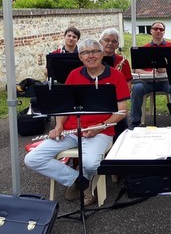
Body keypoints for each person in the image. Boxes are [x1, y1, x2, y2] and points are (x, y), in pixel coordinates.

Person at [24, 38, 130, 206]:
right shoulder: (74, 75)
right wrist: (58, 126)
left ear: (102, 54)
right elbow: (63, 107)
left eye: (95, 51)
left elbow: (122, 111)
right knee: (32, 158)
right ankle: (79, 182)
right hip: (71, 131)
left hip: (101, 131)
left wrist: (98, 128)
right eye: (85, 53)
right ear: (80, 57)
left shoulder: (116, 76)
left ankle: (82, 179)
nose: (91, 56)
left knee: (90, 164)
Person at [130, 21, 171, 128]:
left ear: (164, 32)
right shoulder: (144, 48)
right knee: (137, 88)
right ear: (151, 31)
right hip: (147, 81)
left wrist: (166, 70)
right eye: (156, 29)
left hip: (166, 81)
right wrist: (148, 72)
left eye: (161, 29)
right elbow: (137, 69)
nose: (158, 31)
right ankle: (135, 121)